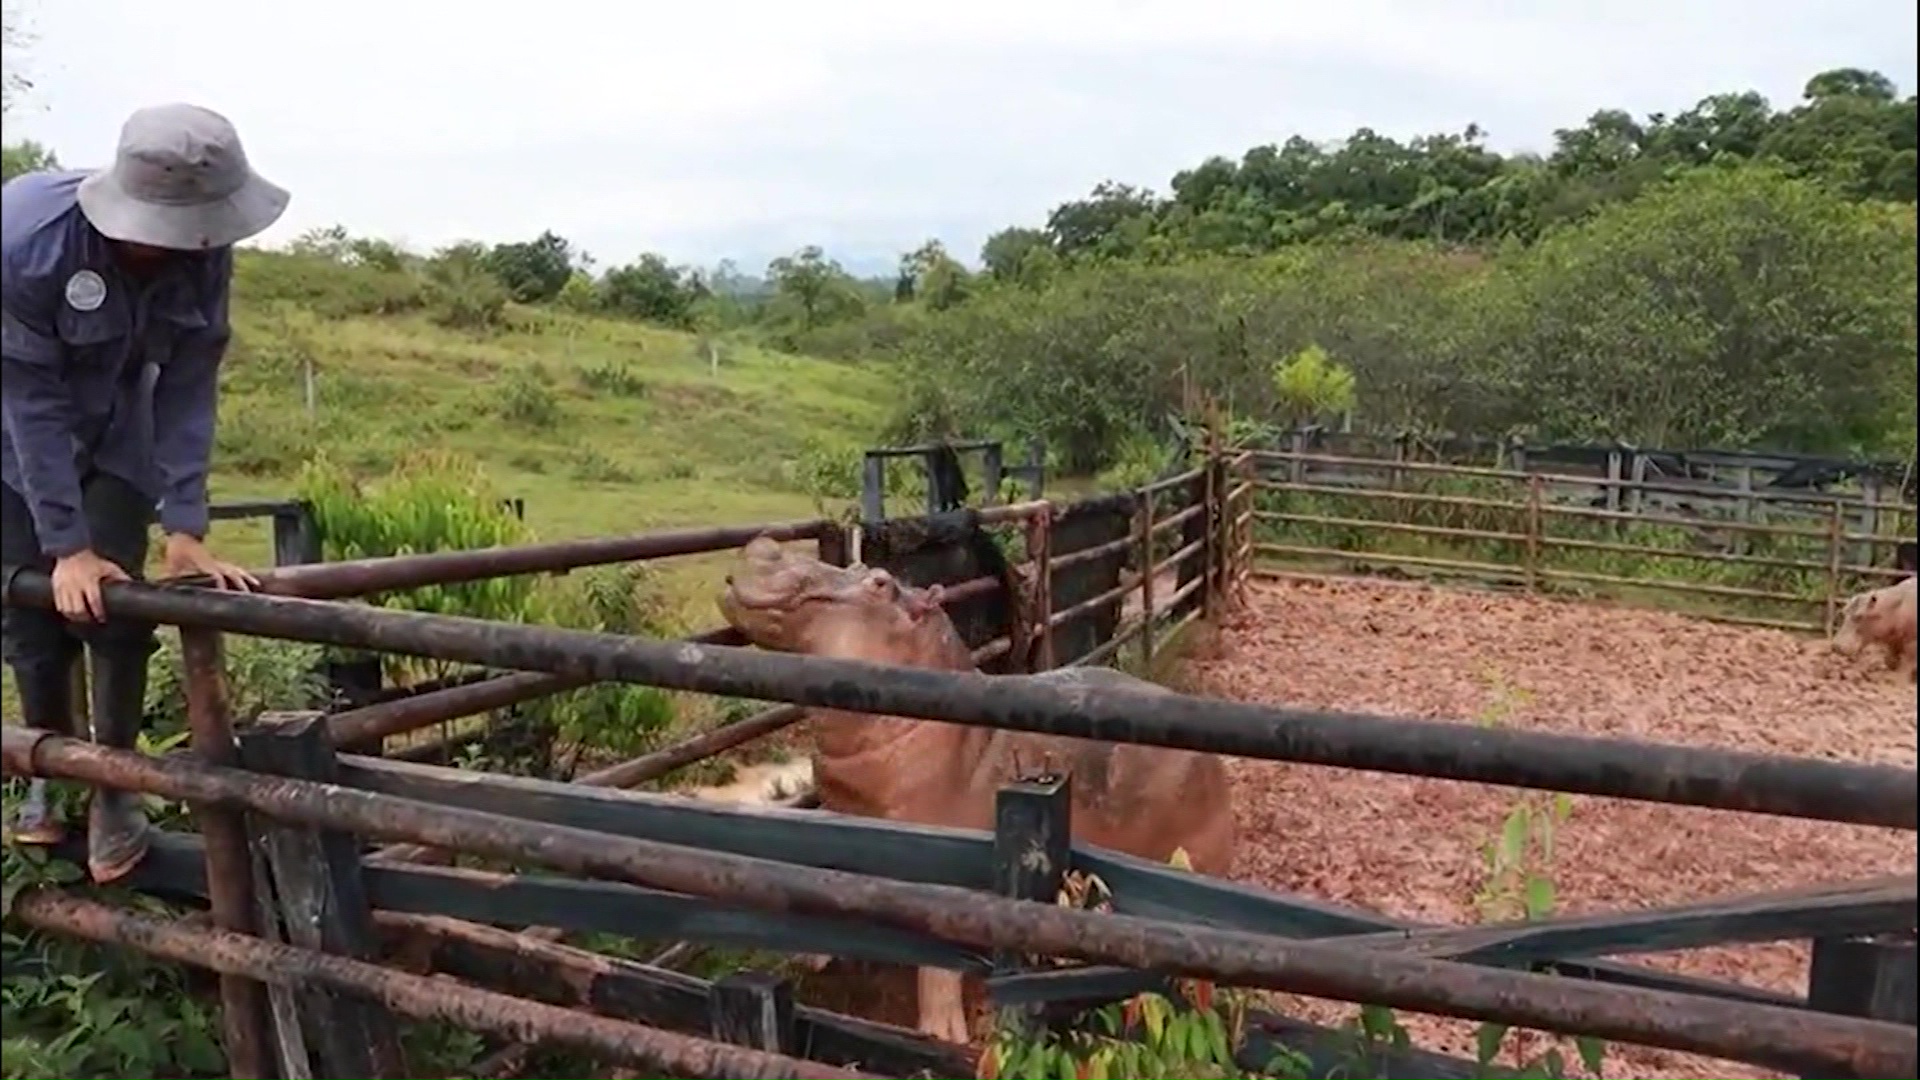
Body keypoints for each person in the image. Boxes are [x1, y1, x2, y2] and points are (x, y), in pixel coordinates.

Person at [2, 103, 290, 884]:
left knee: (114, 608)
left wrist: (186, 524)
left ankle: (115, 787)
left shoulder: (205, 252)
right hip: (9, 437)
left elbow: (190, 383)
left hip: (119, 430)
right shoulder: (28, 244)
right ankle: (44, 773)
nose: (187, 242)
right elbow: (29, 400)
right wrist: (66, 545)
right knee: (34, 608)